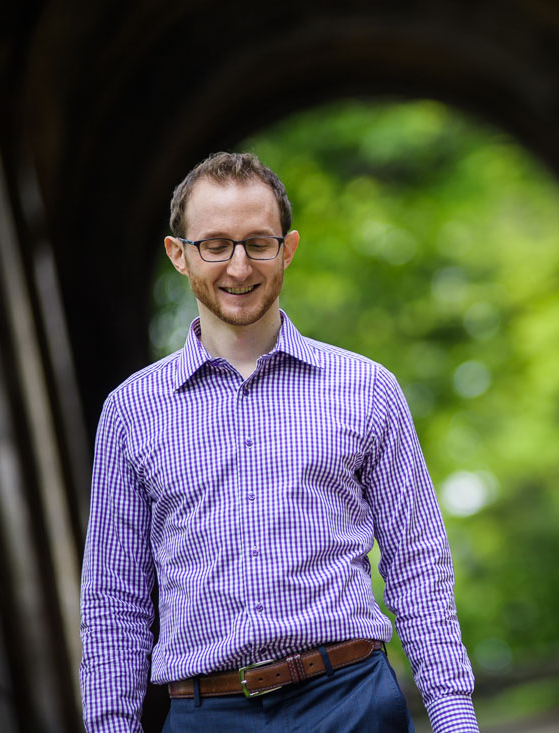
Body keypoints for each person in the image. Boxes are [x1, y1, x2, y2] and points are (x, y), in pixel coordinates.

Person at [79, 152, 478, 732]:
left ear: (286, 249)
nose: (239, 267)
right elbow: (115, 601)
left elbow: (417, 563)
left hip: (352, 703)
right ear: (179, 255)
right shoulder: (131, 411)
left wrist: (454, 717)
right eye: (215, 245)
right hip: (205, 715)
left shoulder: (365, 389)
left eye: (257, 243)